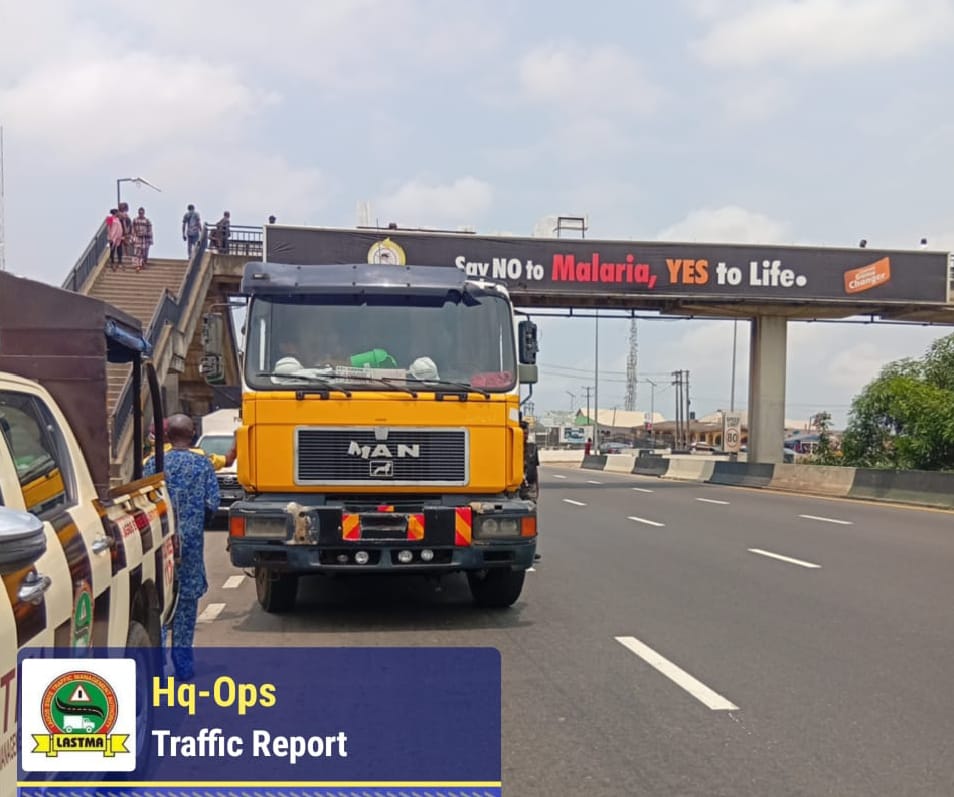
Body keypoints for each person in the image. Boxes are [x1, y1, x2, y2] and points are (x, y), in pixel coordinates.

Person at [144, 414, 219, 680]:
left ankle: (157, 669)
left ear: (167, 435)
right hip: (191, 548)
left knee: (160, 607)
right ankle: (183, 667)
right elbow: (212, 503)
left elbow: (144, 502)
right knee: (186, 609)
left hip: (161, 548)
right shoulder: (202, 465)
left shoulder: (153, 464)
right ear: (192, 433)